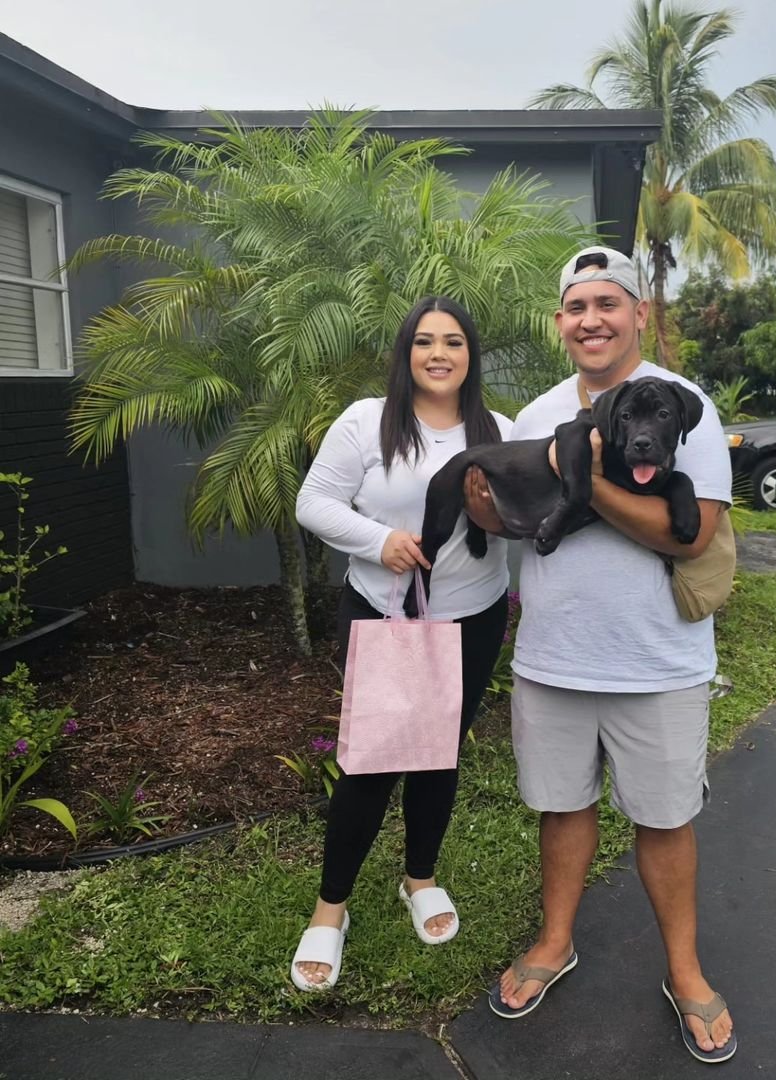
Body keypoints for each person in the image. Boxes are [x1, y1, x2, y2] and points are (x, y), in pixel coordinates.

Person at [467, 247, 737, 1063]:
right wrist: (483, 500)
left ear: (638, 314)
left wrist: (582, 475)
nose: (592, 319)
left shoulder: (684, 406)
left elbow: (694, 533)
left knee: (664, 818)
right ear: (561, 322)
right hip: (553, 658)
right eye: (577, 306)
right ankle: (555, 942)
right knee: (562, 807)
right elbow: (507, 519)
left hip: (658, 661)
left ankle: (685, 973)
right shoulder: (536, 414)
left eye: (608, 304)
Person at [289, 295, 511, 991]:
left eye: (453, 341)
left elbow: (520, 517)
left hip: (472, 618)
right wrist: (376, 540)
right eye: (423, 341)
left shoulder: (499, 430)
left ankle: (420, 878)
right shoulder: (367, 421)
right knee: (371, 764)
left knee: (439, 756)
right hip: (386, 616)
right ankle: (332, 909)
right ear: (405, 353)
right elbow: (313, 501)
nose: (438, 353)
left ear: (471, 355)